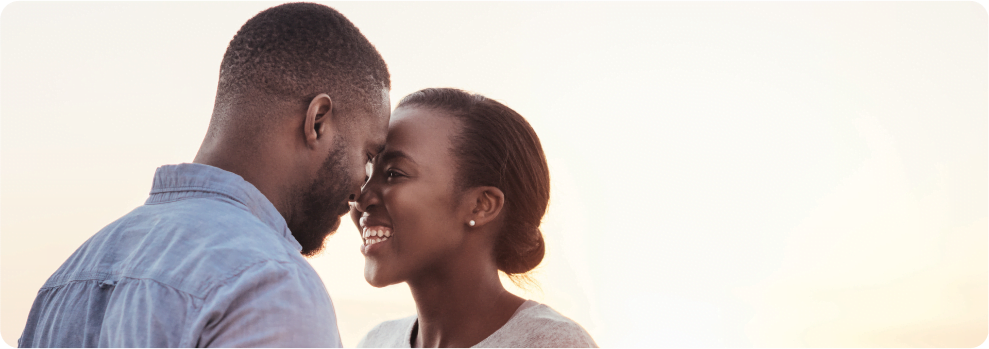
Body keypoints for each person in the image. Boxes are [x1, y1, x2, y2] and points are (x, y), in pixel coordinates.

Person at [19, 3, 390, 348]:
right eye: (368, 155)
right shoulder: (271, 284)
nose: (363, 186)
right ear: (318, 121)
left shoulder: (66, 279)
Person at [352, 88, 598, 348]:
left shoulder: (551, 344)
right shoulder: (376, 342)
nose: (361, 197)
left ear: (481, 206)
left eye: (394, 173)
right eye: (367, 171)